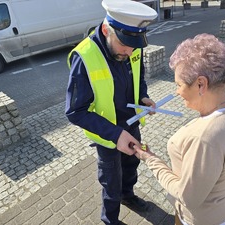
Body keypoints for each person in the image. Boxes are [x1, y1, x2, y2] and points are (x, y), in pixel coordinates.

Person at [134, 33, 225, 225]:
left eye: (179, 85)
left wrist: (150, 159)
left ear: (201, 84)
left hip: (200, 219)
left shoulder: (204, 138)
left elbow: (187, 197)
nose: (177, 92)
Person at [65, 0, 158, 224]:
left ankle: (128, 196)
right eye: (124, 44)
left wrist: (142, 97)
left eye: (134, 46)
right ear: (107, 30)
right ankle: (111, 219)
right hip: (108, 136)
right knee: (111, 180)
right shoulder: (84, 57)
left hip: (132, 124)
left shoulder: (132, 47)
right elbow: (75, 111)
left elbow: (139, 77)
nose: (129, 51)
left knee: (131, 167)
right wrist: (115, 135)